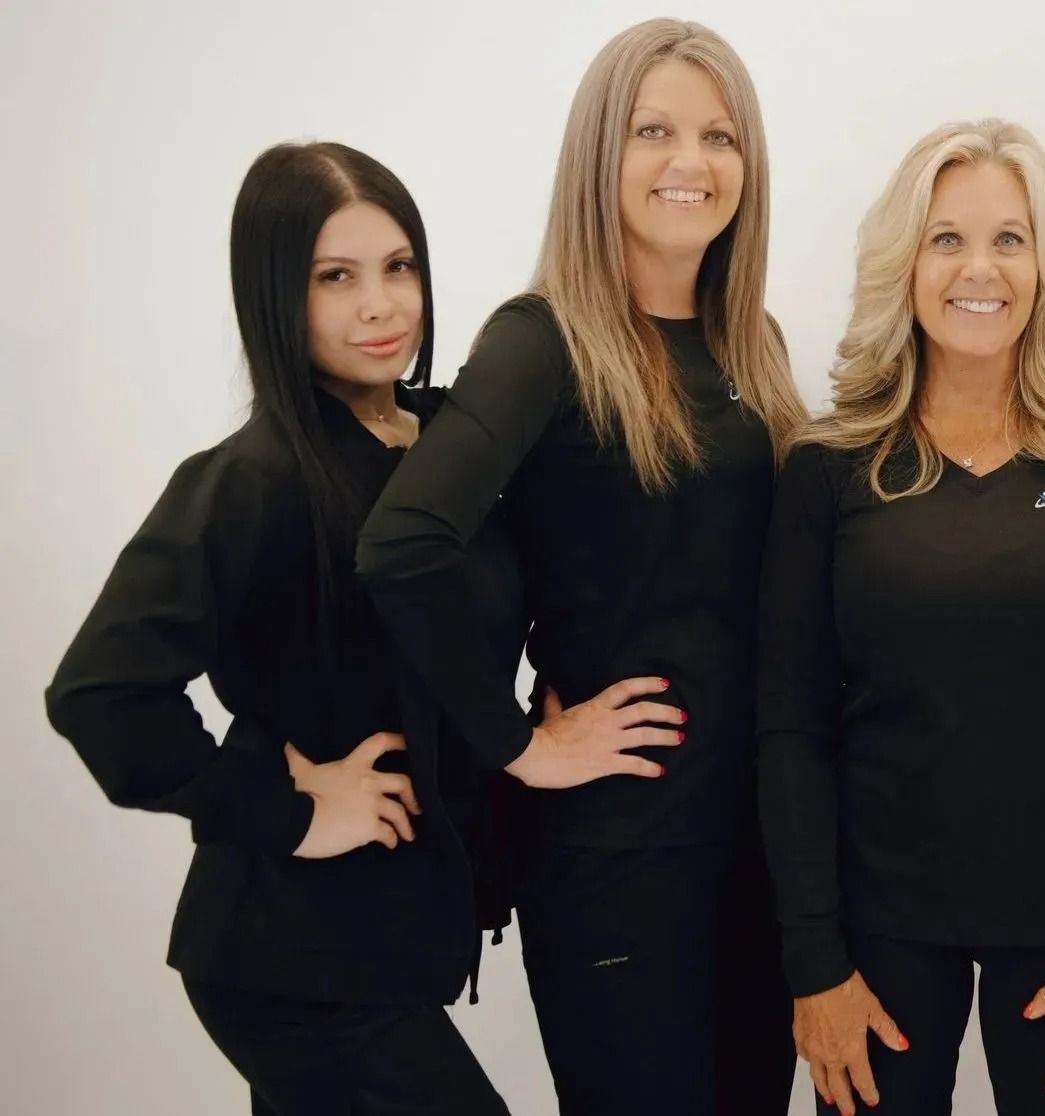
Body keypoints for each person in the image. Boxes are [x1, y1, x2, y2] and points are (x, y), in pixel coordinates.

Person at [354, 18, 805, 1115]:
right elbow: (402, 547)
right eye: (655, 130)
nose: (690, 163)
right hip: (619, 860)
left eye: (719, 135)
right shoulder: (542, 341)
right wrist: (520, 743)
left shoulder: (754, 346)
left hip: (761, 852)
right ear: (600, 153)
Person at [45, 141, 517, 1115]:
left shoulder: (447, 446)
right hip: (291, 954)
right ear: (275, 295)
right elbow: (101, 691)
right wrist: (290, 811)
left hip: (382, 942)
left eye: (398, 267)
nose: (380, 306)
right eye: (333, 278)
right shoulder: (255, 479)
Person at [757, 118, 1045, 1116]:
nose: (981, 268)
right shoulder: (830, 466)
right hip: (874, 947)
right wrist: (813, 963)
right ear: (903, 264)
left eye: (1010, 238)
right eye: (946, 237)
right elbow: (791, 728)